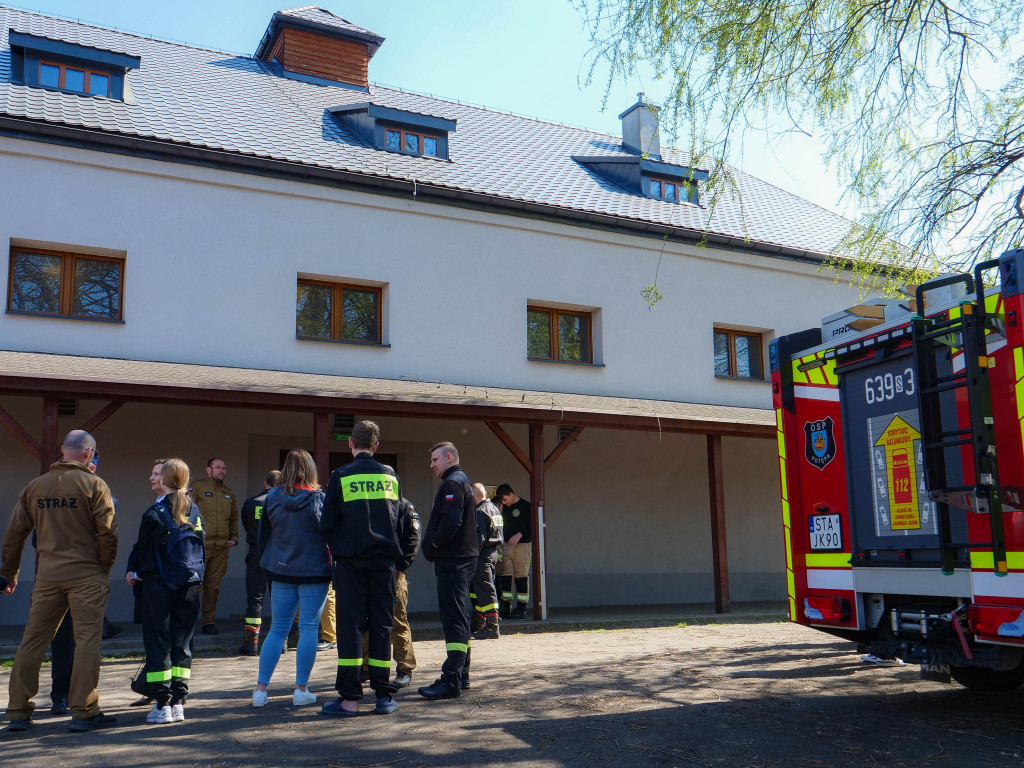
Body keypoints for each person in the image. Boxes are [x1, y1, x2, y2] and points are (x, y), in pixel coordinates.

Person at [2, 430, 119, 732]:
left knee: (32, 641)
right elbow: (107, 533)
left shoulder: (35, 487)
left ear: (62, 451)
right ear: (88, 453)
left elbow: (14, 535)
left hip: (48, 576)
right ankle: (83, 711)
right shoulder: (94, 484)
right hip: (87, 575)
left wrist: (9, 573)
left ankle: (17, 711)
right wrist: (103, 568)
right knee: (87, 643)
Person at [319, 420, 408, 717]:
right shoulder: (390, 476)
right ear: (376, 445)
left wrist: (344, 545)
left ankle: (350, 699)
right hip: (384, 563)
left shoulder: (340, 475)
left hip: (350, 563)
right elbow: (400, 520)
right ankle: (383, 696)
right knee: (382, 626)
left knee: (350, 628)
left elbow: (327, 524)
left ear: (350, 444)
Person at [125, 458, 205, 725]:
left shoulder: (153, 514)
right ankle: (179, 702)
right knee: (183, 644)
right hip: (190, 586)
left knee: (159, 643)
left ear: (166, 479)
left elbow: (145, 556)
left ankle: (161, 705)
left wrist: (135, 574)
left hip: (159, 587)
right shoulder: (195, 511)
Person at [252, 450, 330, 708]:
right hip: (314, 572)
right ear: (311, 470)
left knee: (277, 629)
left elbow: (263, 536)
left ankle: (260, 690)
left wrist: (269, 564)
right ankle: (301, 689)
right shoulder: (320, 499)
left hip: (281, 570)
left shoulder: (272, 497)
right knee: (309, 628)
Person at [418, 441, 479, 700]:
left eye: (435, 460)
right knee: (461, 619)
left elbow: (451, 521)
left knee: (454, 620)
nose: (431, 465)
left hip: (454, 561)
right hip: (461, 559)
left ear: (449, 457)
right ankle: (460, 675)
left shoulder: (453, 483)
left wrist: (433, 543)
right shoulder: (459, 480)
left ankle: (451, 680)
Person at [190, 457, 237, 635]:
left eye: (224, 468)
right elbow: (187, 512)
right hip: (201, 545)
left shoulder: (228, 492)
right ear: (208, 470)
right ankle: (186, 621)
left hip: (222, 546)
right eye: (218, 467)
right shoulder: (198, 487)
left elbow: (233, 518)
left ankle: (208, 621)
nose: (222, 470)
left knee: (213, 585)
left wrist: (234, 537)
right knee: (195, 584)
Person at [238, 470, 282, 655]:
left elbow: (247, 525)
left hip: (256, 553)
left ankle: (251, 644)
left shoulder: (250, 502)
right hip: (277, 554)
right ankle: (282, 643)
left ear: (266, 483)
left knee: (255, 598)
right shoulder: (283, 503)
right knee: (279, 599)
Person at [471, 484, 503, 640]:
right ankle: (477, 623)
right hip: (493, 553)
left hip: (482, 555)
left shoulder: (479, 511)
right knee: (479, 589)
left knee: (485, 589)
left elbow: (479, 539)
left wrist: (470, 556)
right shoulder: (494, 508)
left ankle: (492, 626)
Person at [496, 483, 532, 620]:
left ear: (511, 494)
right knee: (506, 575)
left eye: (505, 499)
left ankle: (522, 607)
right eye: (502, 501)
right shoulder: (504, 508)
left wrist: (520, 534)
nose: (504, 503)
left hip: (522, 545)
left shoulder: (525, 506)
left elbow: (532, 526)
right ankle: (505, 605)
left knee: (521, 575)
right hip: (506, 546)